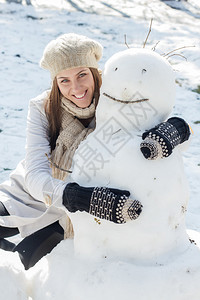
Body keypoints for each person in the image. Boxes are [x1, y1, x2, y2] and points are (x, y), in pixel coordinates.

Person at [0, 33, 190, 270]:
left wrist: (178, 129)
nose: (76, 88)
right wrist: (80, 198)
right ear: (55, 82)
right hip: (32, 195)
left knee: (23, 263)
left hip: (72, 216)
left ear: (94, 72)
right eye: (64, 80)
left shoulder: (115, 100)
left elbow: (154, 110)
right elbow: (35, 175)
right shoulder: (43, 107)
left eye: (82, 75)